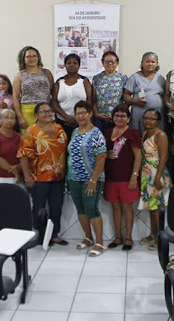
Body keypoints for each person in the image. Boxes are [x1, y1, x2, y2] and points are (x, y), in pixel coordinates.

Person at [17, 102, 68, 245]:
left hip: (58, 176)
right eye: (43, 111)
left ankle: (54, 234)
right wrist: (27, 177)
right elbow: (23, 155)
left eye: (49, 111)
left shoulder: (59, 128)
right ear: (36, 115)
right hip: (38, 177)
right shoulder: (31, 131)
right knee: (39, 207)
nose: (47, 113)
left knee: (56, 206)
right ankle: (40, 235)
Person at [67, 101, 107, 257]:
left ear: (90, 114)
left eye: (84, 112)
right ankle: (88, 238)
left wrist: (93, 180)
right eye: (78, 113)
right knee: (81, 209)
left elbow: (101, 157)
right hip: (73, 178)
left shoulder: (96, 133)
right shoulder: (75, 131)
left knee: (91, 209)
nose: (81, 116)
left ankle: (99, 243)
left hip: (91, 179)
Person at [103, 105, 142, 251]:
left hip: (127, 177)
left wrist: (134, 176)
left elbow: (138, 156)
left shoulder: (133, 133)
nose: (119, 118)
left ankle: (129, 238)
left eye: (123, 116)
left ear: (128, 118)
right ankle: (118, 236)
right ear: (112, 117)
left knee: (127, 207)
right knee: (115, 207)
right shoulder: (106, 133)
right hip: (110, 176)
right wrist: (106, 154)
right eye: (117, 116)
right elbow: (101, 153)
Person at [139, 109, 172, 251]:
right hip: (147, 174)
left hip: (157, 174)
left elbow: (164, 157)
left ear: (158, 121)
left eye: (152, 119)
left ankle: (160, 238)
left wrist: (158, 177)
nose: (148, 121)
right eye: (146, 118)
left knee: (158, 209)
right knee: (151, 208)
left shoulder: (161, 135)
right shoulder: (145, 133)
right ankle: (153, 234)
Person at [13, 46, 54, 132]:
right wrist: (20, 117)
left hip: (45, 111)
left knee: (45, 139)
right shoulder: (19, 75)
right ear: (23, 59)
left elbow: (53, 94)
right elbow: (15, 98)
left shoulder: (47, 73)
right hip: (27, 112)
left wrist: (52, 113)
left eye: (34, 56)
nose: (32, 58)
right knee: (28, 140)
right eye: (28, 56)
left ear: (38, 57)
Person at [123, 52, 166, 134]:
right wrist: (135, 101)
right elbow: (125, 95)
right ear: (142, 63)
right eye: (147, 61)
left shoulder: (160, 78)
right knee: (138, 137)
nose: (150, 64)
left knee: (156, 140)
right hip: (139, 114)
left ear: (157, 64)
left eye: (153, 62)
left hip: (157, 116)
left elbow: (165, 96)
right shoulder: (135, 77)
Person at [52, 53, 92, 139]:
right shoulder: (59, 82)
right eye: (69, 63)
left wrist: (78, 117)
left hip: (82, 121)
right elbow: (54, 102)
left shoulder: (84, 81)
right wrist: (66, 117)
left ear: (79, 65)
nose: (71, 65)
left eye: (75, 63)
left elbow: (89, 100)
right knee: (63, 147)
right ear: (65, 65)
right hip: (62, 121)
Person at [92, 51, 128, 131]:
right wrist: (97, 114)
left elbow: (126, 98)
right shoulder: (96, 78)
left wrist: (120, 114)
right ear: (102, 63)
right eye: (107, 61)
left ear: (117, 63)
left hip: (118, 118)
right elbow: (93, 99)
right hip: (100, 118)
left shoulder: (123, 78)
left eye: (113, 61)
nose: (110, 63)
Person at [0, 109, 21, 184]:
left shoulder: (18, 136)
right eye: (6, 118)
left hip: (16, 177)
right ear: (0, 120)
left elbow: (22, 156)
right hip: (0, 177)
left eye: (12, 118)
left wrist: (19, 167)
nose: (9, 120)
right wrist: (14, 171)